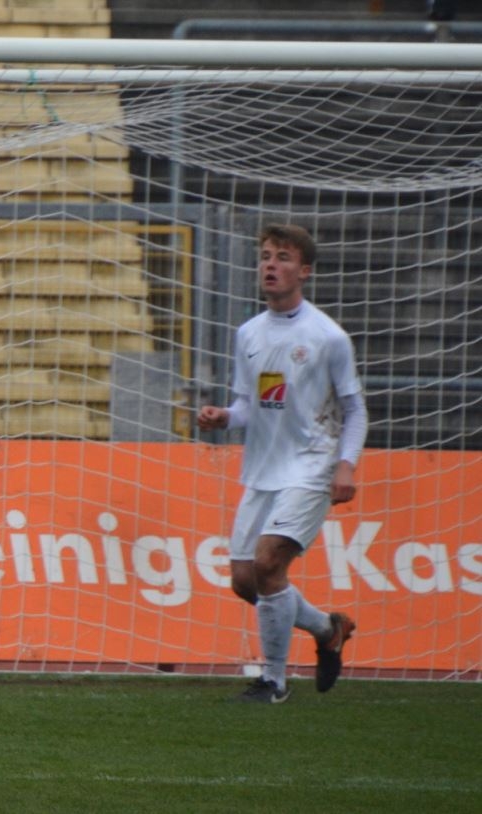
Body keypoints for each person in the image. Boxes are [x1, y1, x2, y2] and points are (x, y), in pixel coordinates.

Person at [197, 223, 362, 704]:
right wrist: (225, 416)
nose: (271, 265)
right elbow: (252, 404)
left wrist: (346, 464)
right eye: (266, 256)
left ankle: (273, 681)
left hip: (311, 467)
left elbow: (355, 409)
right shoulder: (249, 333)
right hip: (263, 470)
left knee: (269, 562)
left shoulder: (328, 337)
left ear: (304, 271)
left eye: (283, 257)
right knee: (246, 581)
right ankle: (327, 628)